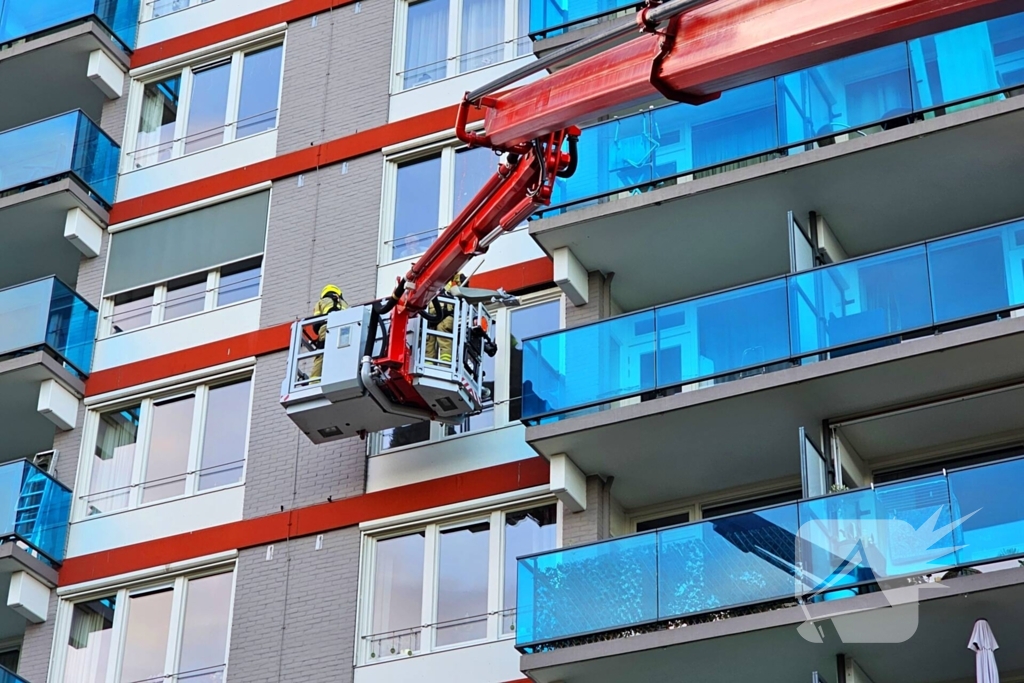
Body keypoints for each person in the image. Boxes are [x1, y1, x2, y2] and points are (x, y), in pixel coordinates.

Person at [424, 273, 466, 365]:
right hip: (431, 316)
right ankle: (428, 366)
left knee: (444, 341)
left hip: (445, 314)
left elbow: (464, 287)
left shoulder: (454, 276)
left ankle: (445, 366)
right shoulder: (430, 280)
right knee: (429, 343)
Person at [310, 284, 348, 381]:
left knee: (321, 355)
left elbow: (316, 323)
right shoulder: (345, 304)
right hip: (344, 333)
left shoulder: (321, 302)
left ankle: (314, 380)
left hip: (327, 330)